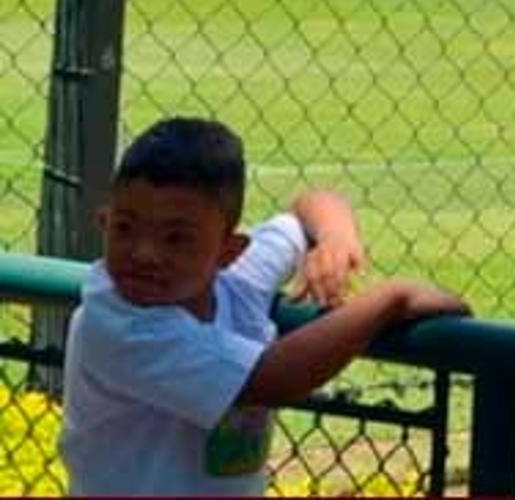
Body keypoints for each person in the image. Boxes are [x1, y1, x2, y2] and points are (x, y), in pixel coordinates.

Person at [59, 118, 470, 497]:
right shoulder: (117, 323)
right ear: (104, 222)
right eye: (125, 228)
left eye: (176, 239)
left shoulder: (239, 278)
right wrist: (389, 299)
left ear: (228, 250)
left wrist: (336, 239)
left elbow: (312, 204)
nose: (144, 253)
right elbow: (274, 378)